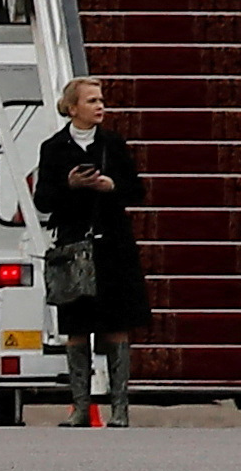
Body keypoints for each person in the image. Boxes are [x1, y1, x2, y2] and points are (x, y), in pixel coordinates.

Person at [29, 74, 150, 423]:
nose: (100, 106)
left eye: (101, 100)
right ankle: (81, 407)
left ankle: (120, 409)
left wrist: (111, 185)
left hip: (113, 243)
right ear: (72, 108)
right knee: (76, 326)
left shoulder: (113, 144)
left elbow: (136, 190)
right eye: (92, 100)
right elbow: (43, 200)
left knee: (117, 322)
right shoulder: (53, 148)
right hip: (73, 246)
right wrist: (70, 184)